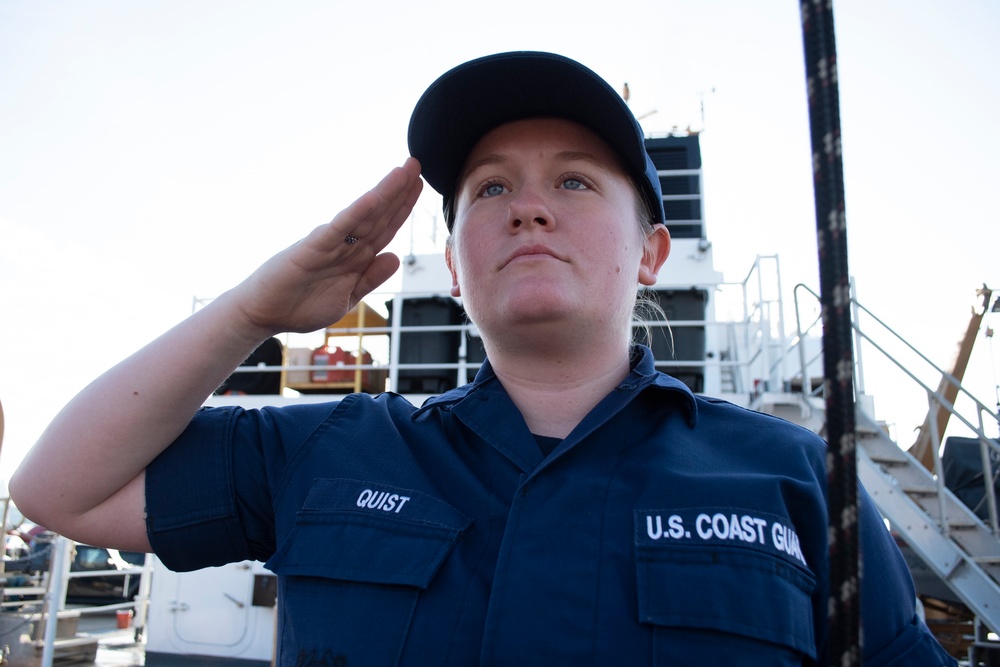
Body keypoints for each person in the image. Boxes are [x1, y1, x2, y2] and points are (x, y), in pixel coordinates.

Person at [10, 51, 955, 666]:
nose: (527, 206)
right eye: (490, 187)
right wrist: (256, 311)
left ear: (653, 252)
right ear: (457, 266)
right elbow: (61, 491)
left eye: (574, 181)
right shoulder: (330, 449)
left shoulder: (794, 476)